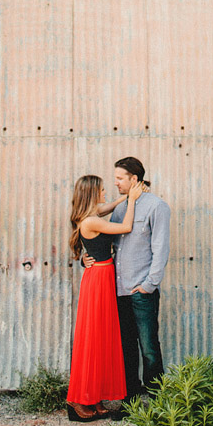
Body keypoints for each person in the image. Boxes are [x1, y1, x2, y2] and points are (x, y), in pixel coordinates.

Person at [84, 156, 170, 400]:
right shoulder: (121, 207)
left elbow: (161, 249)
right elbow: (104, 240)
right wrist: (86, 257)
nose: (116, 183)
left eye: (120, 179)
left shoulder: (157, 206)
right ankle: (129, 400)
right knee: (125, 349)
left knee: (149, 349)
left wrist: (148, 286)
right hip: (118, 290)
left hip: (141, 291)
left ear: (134, 179)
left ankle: (157, 402)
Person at [67, 173, 142, 421]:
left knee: (102, 339)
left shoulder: (91, 215)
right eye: (100, 190)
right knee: (93, 339)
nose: (105, 193)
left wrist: (124, 198)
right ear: (91, 195)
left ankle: (95, 398)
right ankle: (78, 401)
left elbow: (108, 207)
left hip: (102, 276)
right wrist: (131, 201)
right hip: (98, 280)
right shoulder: (90, 221)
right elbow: (126, 227)